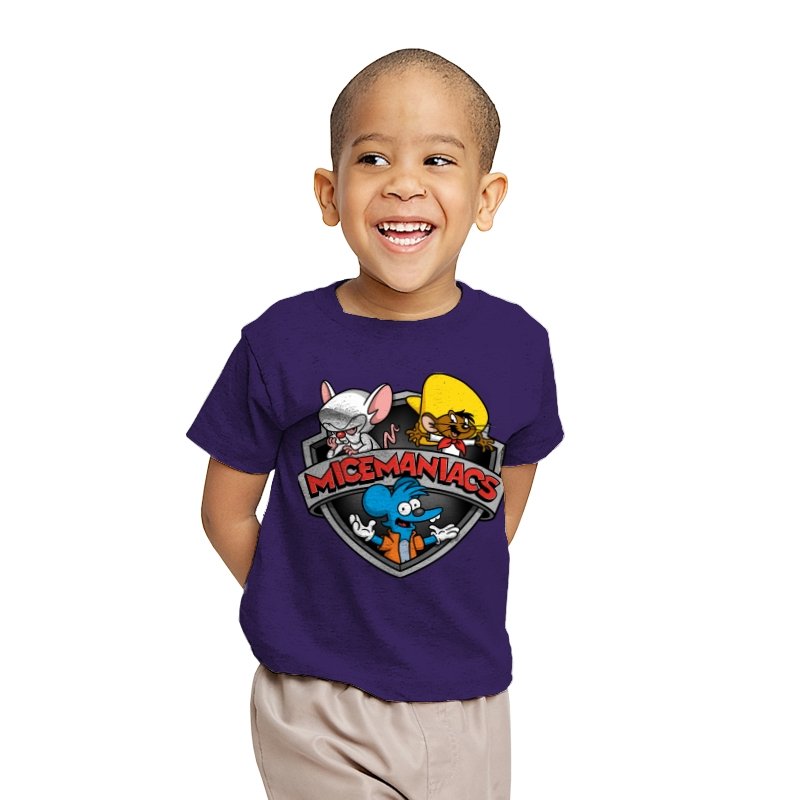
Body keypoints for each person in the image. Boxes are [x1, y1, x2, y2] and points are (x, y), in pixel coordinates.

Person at [186, 47, 564, 800]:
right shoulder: (280, 342)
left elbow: (500, 507)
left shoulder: (519, 345)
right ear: (330, 193)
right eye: (373, 158)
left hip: (468, 696)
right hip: (314, 698)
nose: (404, 182)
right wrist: (300, 604)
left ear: (486, 198)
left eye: (437, 159)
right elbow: (224, 511)